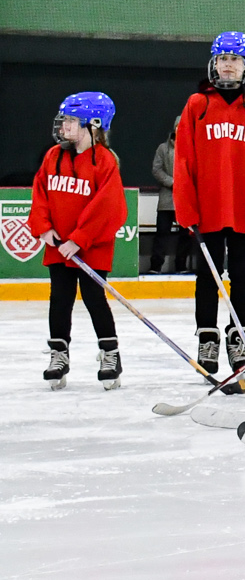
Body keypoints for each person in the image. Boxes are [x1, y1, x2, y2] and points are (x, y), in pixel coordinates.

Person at [176, 32, 245, 394]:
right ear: (213, 63)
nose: (228, 64)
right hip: (207, 209)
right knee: (207, 275)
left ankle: (240, 338)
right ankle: (208, 337)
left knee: (241, 275)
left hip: (242, 210)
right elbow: (184, 160)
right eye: (222, 58)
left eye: (235, 59)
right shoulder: (197, 105)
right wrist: (186, 207)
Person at [32, 93, 124, 390]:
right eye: (65, 119)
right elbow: (41, 193)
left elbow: (109, 207)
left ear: (93, 125)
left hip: (91, 249)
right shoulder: (53, 156)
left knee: (94, 298)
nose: (64, 126)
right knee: (60, 298)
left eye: (72, 120)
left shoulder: (105, 162)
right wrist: (44, 229)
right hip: (58, 247)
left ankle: (110, 354)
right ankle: (59, 354)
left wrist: (80, 239)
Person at [148, 120, 187, 273]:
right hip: (166, 199)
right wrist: (172, 183)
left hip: (185, 199)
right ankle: (156, 266)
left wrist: (185, 185)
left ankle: (181, 266)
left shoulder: (192, 148)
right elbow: (156, 170)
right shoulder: (163, 149)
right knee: (162, 233)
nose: (180, 129)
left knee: (185, 235)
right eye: (178, 126)